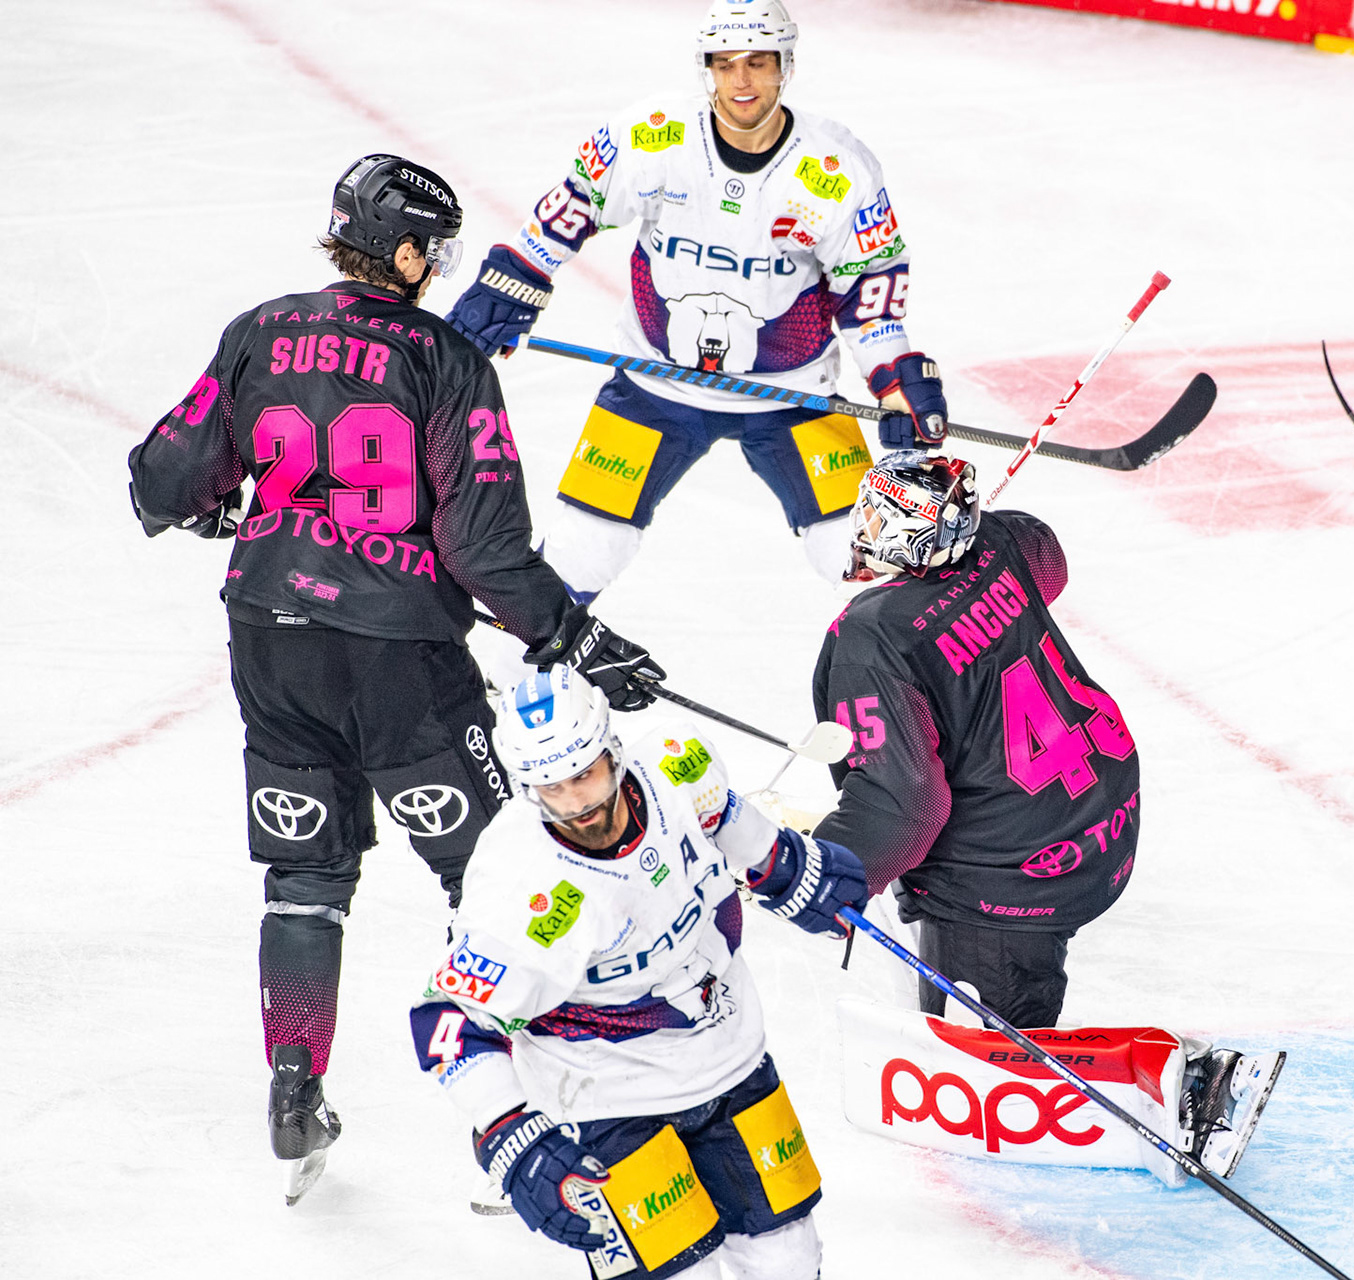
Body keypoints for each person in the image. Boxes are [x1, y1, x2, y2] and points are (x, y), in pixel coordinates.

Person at [126, 154, 665, 1204]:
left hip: (270, 642)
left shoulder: (259, 330)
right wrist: (573, 635)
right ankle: (534, 1119)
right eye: (437, 247)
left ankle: (293, 1092)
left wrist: (213, 505)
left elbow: (163, 475)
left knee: (305, 880)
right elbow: (485, 549)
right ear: (410, 252)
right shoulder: (446, 357)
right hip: (400, 658)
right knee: (494, 868)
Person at [804, 450, 1280, 1177]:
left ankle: (1168, 1083)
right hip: (1099, 813)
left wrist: (824, 869)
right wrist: (967, 536)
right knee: (992, 1003)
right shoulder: (997, 544)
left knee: (978, 1057)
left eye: (876, 512)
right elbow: (1044, 553)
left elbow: (903, 809)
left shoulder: (872, 634)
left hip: (1016, 867)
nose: (861, 526)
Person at [445, 0, 949, 595]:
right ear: (705, 67)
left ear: (786, 65)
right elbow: (572, 208)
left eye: (758, 63)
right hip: (654, 385)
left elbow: (869, 295)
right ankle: (509, 683)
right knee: (585, 548)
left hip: (792, 397)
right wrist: (515, 280)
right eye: (725, 63)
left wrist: (893, 376)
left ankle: (904, 683)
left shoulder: (837, 170)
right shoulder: (652, 137)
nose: (741, 81)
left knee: (864, 556)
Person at [410, 666, 867, 1277]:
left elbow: (737, 828)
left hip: (730, 1059)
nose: (578, 803)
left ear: (612, 750)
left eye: (585, 774)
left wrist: (794, 871)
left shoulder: (678, 767)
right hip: (608, 1098)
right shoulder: (521, 889)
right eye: (553, 788)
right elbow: (448, 1025)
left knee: (788, 1260)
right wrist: (510, 1136)